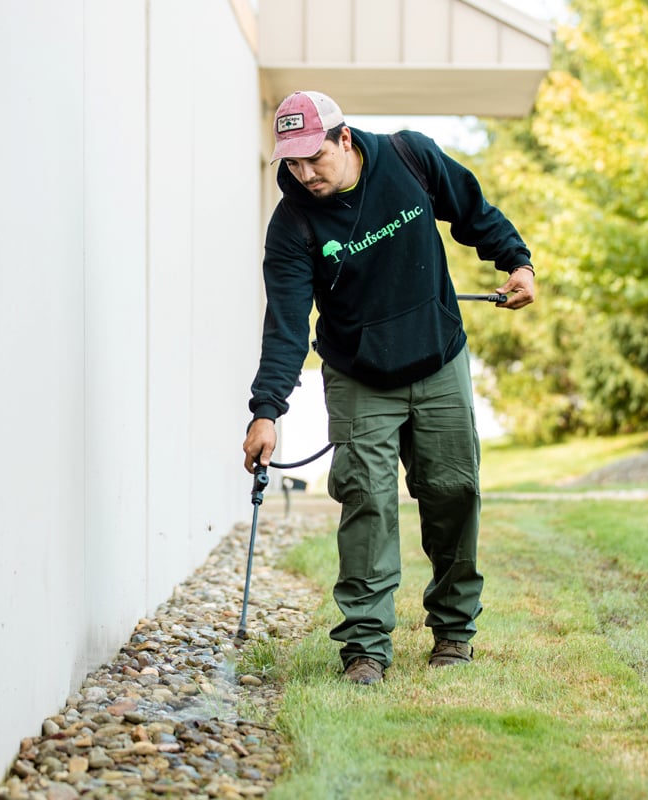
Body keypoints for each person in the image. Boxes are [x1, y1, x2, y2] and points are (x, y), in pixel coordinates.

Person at [242, 90, 536, 685]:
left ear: (345, 139)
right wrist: (267, 410)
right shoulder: (292, 223)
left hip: (437, 358)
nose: (303, 174)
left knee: (454, 491)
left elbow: (473, 212)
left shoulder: (410, 158)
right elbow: (286, 325)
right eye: (291, 163)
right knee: (368, 503)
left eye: (314, 158)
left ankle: (454, 630)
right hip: (358, 376)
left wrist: (517, 263)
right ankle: (365, 648)